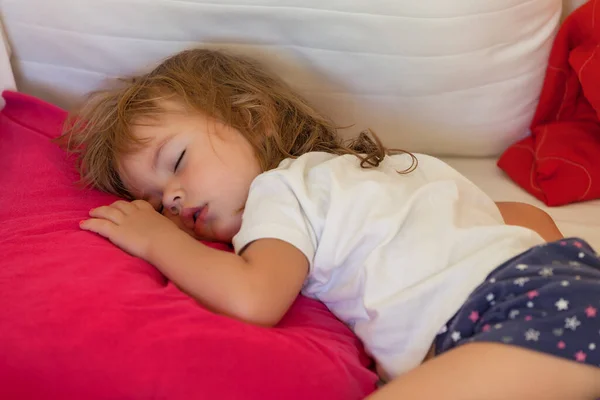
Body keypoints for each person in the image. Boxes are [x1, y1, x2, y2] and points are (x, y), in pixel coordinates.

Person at [59, 48, 600, 399]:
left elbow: (254, 299)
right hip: (561, 286)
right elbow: (523, 217)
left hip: (515, 310)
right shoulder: (377, 171)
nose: (172, 199)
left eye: (176, 162)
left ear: (255, 117)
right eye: (156, 204)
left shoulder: (279, 190)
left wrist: (154, 240)